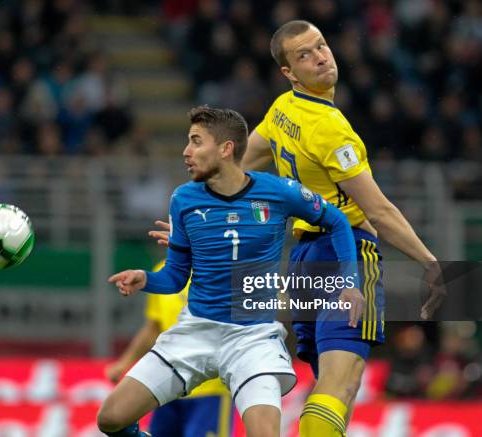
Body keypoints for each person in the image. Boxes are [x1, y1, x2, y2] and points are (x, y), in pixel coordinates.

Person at [150, 21, 446, 437]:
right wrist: (431, 264)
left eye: (321, 46)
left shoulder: (283, 109)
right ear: (289, 71)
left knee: (325, 386)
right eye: (304, 55)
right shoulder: (331, 129)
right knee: (339, 386)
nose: (321, 57)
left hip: (305, 263)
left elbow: (236, 169)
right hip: (348, 255)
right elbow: (377, 211)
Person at [97, 106, 363, 437]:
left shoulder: (279, 192)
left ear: (226, 149)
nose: (186, 152)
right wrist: (146, 279)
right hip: (196, 331)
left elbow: (337, 221)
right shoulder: (184, 199)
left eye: (196, 142)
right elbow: (177, 277)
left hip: (252, 338)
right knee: (110, 418)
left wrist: (350, 283)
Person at [105, 260, 234, 437]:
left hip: (210, 388)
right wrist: (124, 363)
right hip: (167, 385)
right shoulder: (161, 271)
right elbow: (154, 327)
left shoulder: (220, 265)